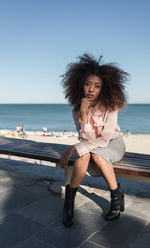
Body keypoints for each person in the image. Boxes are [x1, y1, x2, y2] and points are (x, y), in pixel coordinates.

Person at [59, 54, 129, 227]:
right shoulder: (77, 108)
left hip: (113, 143)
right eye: (87, 84)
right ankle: (68, 204)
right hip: (93, 144)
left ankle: (115, 196)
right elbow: (86, 139)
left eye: (97, 86)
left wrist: (74, 147)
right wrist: (83, 113)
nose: (91, 89)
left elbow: (104, 140)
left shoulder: (111, 106)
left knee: (96, 155)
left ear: (103, 88)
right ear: (81, 85)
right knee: (83, 155)